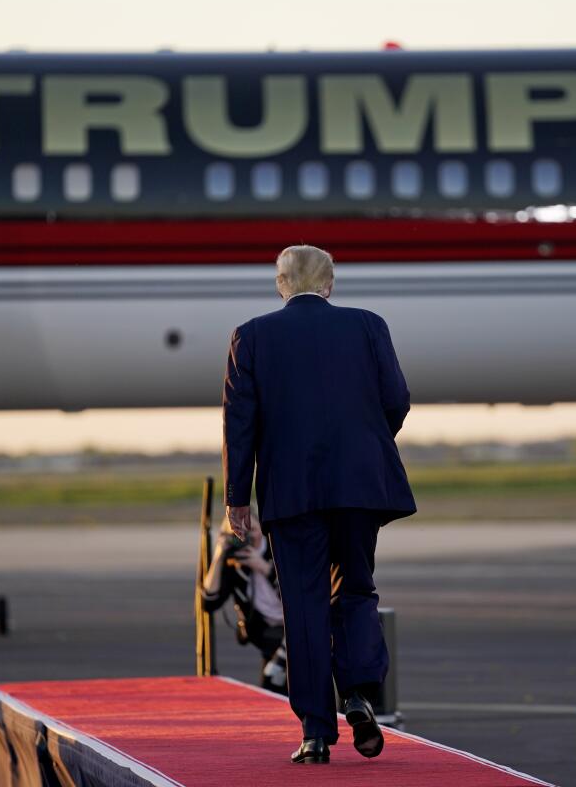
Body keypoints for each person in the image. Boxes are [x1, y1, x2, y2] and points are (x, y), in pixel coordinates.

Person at [222, 244, 415, 765]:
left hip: (291, 494)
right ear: (329, 285)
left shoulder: (252, 336)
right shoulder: (369, 325)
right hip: (359, 488)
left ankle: (313, 733)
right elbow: (396, 399)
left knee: (304, 606)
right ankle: (357, 693)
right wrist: (368, 446)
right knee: (355, 588)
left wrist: (238, 500)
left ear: (280, 285)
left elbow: (241, 425)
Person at [201, 511, 288, 695]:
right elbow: (209, 603)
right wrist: (219, 556)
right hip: (267, 634)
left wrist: (266, 568)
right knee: (273, 689)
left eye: (252, 530)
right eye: (238, 533)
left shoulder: (278, 550)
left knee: (277, 684)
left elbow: (298, 594)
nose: (246, 537)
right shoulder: (234, 565)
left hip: (297, 628)